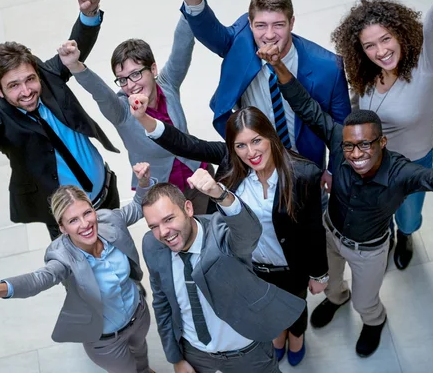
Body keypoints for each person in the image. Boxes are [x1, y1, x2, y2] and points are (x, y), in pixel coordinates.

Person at [259, 45, 433, 357]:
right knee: (330, 285)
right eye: (350, 146)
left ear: (382, 142)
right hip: (331, 234)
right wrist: (278, 66)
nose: (356, 154)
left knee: (365, 301)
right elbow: (305, 106)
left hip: (369, 250)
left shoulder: (400, 171)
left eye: (366, 145)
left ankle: (375, 322)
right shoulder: (340, 141)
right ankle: (336, 298)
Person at [130, 97, 327, 366]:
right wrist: (143, 118)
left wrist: (319, 273)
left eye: (257, 140)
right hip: (248, 263)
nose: (251, 152)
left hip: (289, 264)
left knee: (294, 305)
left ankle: (297, 336)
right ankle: (277, 337)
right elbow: (185, 143)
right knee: (262, 307)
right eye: (241, 145)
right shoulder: (229, 164)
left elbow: (314, 231)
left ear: (270, 136)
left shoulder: (303, 174)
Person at [0, 0, 120, 240]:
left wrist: (89, 14)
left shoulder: (47, 76)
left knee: (126, 262)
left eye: (29, 79)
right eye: (13, 85)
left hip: (106, 193)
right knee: (84, 277)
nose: (26, 91)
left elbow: (77, 49)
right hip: (68, 223)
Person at [176, 0, 352, 196]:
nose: (269, 35)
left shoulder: (328, 68)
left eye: (278, 25)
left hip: (304, 162)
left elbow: (342, 129)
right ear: (250, 23)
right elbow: (213, 33)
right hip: (254, 159)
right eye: (260, 25)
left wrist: (334, 171)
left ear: (292, 23)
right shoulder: (241, 40)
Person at [330, 0, 433, 270]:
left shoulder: (427, 66)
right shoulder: (368, 72)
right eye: (370, 46)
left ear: (401, 33)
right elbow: (355, 107)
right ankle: (386, 234)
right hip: (371, 160)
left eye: (386, 38)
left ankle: (405, 236)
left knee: (409, 212)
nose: (381, 51)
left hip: (412, 160)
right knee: (376, 209)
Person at [0, 163, 156, 373]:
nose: (85, 224)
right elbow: (38, 279)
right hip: (106, 341)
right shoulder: (62, 256)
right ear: (62, 228)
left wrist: (143, 182)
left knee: (141, 352)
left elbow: (136, 207)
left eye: (87, 213)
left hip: (138, 314)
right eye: (73, 220)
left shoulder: (109, 220)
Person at [141, 172, 307, 373]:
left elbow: (249, 232)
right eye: (154, 226)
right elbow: (162, 303)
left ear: (188, 208)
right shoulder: (152, 245)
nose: (163, 232)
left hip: (247, 352)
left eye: (169, 219)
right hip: (195, 353)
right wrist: (175, 358)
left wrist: (219, 194)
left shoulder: (221, 231)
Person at [56, 15, 213, 214]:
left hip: (198, 177)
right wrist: (75, 66)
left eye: (136, 74)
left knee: (215, 232)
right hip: (162, 195)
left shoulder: (167, 85)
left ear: (153, 69)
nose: (130, 85)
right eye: (122, 79)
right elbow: (100, 92)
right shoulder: (121, 111)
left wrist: (191, 4)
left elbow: (181, 49)